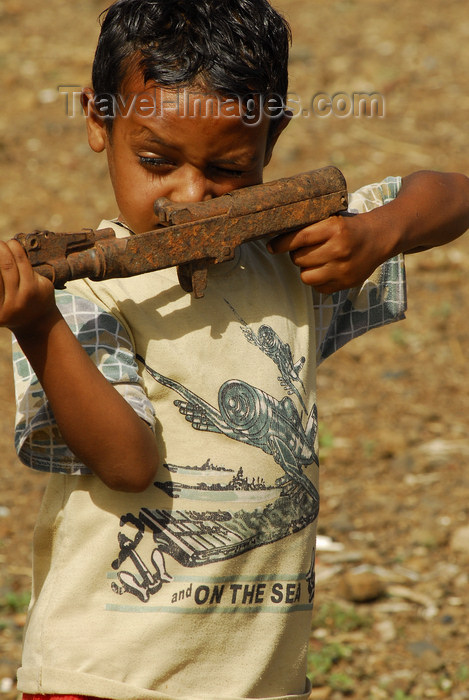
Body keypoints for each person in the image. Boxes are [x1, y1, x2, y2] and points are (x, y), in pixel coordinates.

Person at [2, 1, 469, 699]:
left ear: (270, 140)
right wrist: (37, 328)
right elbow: (126, 463)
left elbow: (450, 194)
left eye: (227, 168)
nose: (188, 195)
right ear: (98, 122)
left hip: (258, 680)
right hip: (106, 676)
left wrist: (378, 232)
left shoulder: (288, 263)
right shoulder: (76, 299)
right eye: (157, 161)